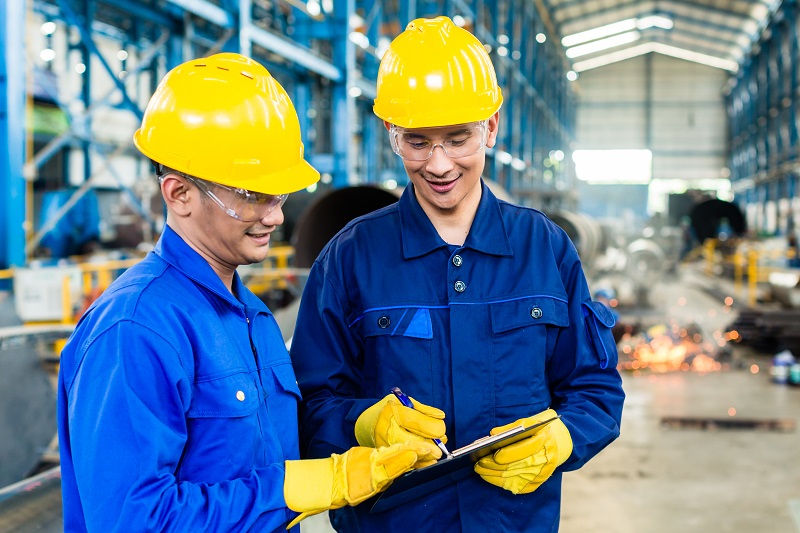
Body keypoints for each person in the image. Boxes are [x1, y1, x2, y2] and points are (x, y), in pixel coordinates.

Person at [56, 53, 438, 532]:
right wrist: (286, 491)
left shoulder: (250, 317)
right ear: (178, 194)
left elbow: (259, 444)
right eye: (252, 196)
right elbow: (132, 519)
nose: (276, 217)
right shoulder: (136, 330)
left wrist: (361, 424)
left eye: (278, 195)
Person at [289, 17, 625, 532]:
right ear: (391, 134)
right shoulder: (350, 258)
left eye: (458, 138)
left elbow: (594, 389)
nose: (440, 164)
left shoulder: (546, 249)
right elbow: (309, 405)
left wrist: (564, 437)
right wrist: (363, 422)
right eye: (418, 142)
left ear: (491, 126)